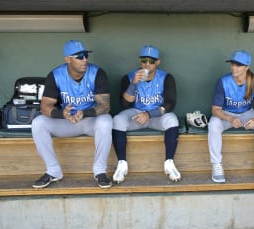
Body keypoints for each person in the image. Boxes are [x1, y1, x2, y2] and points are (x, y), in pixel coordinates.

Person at [31, 40, 113, 189]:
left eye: (86, 55)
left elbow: (105, 106)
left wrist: (85, 112)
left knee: (106, 121)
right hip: (67, 122)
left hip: (90, 121)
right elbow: (45, 107)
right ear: (68, 59)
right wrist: (61, 114)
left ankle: (100, 171)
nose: (85, 59)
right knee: (38, 123)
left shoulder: (97, 73)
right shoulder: (56, 75)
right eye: (79, 56)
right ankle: (53, 170)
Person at [112, 45, 181, 183]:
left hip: (156, 115)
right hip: (136, 114)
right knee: (118, 119)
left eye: (151, 61)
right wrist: (133, 84)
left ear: (158, 62)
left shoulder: (166, 78)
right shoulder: (129, 77)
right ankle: (121, 164)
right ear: (140, 61)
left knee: (172, 120)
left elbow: (170, 104)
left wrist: (149, 114)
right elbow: (124, 104)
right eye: (144, 60)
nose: (147, 64)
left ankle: (169, 163)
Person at [208, 50, 254, 183]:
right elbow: (215, 110)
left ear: (247, 67)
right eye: (233, 64)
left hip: (247, 113)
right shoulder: (223, 81)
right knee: (213, 123)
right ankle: (216, 165)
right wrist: (230, 119)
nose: (234, 67)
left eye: (238, 65)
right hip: (227, 115)